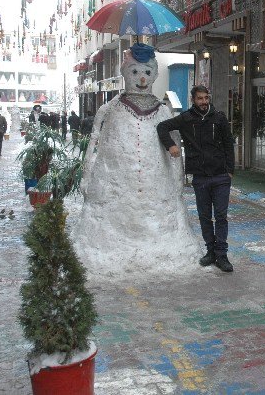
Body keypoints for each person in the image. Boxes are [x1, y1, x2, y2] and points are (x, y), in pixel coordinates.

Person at [72, 43, 197, 276]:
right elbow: (93, 143)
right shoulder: (110, 109)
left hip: (157, 192)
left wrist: (178, 177)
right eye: (135, 72)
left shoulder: (163, 111)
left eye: (147, 73)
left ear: (155, 74)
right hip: (114, 193)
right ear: (125, 73)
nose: (141, 79)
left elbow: (175, 145)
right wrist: (87, 175)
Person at [157, 85, 235, 272]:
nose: (203, 102)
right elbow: (162, 127)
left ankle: (222, 255)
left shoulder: (219, 118)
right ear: (193, 99)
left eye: (206, 98)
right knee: (204, 216)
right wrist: (171, 146)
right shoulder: (186, 118)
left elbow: (228, 144)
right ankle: (210, 252)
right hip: (200, 177)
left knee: (221, 216)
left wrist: (230, 170)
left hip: (220, 176)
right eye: (200, 98)